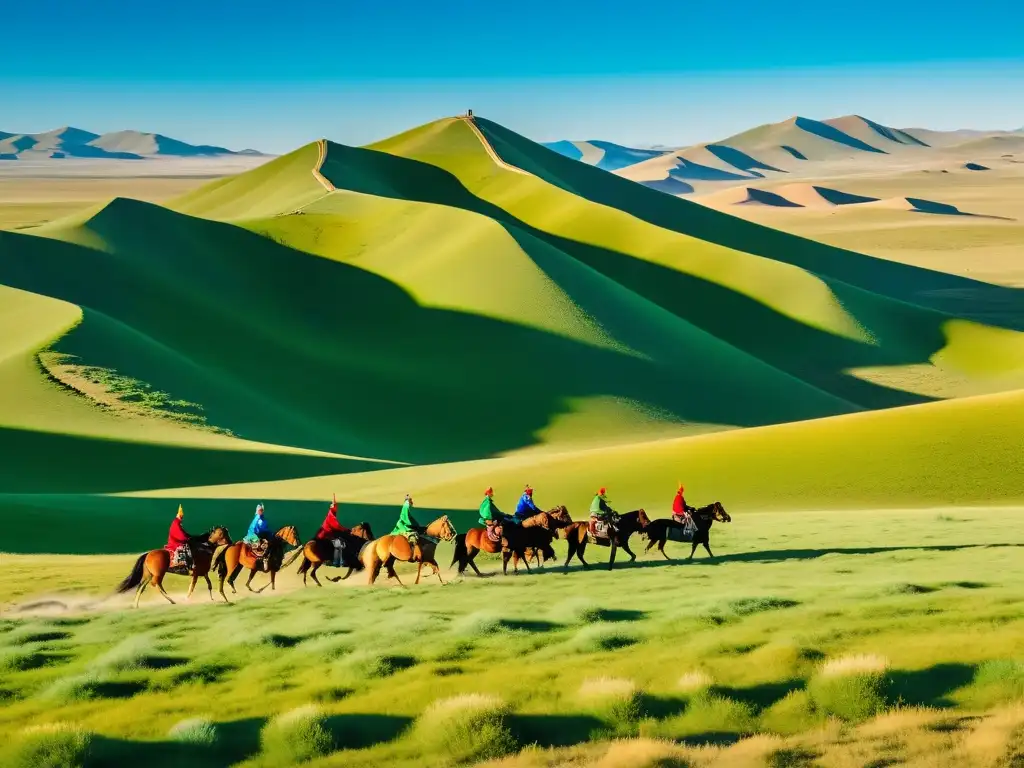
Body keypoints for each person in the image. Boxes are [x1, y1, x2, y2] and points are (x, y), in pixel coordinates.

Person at [316, 495, 350, 566]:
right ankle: (336, 562)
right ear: (333, 508)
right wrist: (346, 529)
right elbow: (336, 526)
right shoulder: (331, 515)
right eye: (336, 507)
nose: (337, 508)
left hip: (328, 533)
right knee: (339, 544)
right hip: (326, 534)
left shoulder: (332, 514)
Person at [165, 504, 192, 569]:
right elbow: (179, 534)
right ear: (178, 515)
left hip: (176, 540)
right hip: (175, 542)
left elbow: (183, 532)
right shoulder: (176, 522)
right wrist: (186, 539)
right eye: (181, 516)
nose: (181, 517)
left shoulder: (178, 522)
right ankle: (177, 562)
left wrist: (189, 536)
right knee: (184, 548)